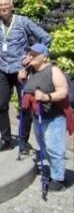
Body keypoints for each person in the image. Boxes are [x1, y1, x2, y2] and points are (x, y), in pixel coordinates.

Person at [0, 0, 50, 152]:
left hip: (22, 71)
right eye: (0, 5)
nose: (4, 7)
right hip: (2, 70)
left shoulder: (23, 21)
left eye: (6, 4)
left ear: (12, 6)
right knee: (1, 106)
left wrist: (32, 57)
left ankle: (23, 141)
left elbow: (45, 38)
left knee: (25, 107)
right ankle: (5, 139)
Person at [22, 44, 70, 190]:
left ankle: (59, 180)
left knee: (54, 147)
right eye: (30, 54)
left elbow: (63, 91)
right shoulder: (31, 70)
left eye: (34, 55)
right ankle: (55, 172)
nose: (30, 57)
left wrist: (46, 97)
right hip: (38, 116)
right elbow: (28, 88)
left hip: (54, 116)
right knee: (44, 146)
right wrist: (22, 78)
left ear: (44, 57)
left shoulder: (53, 70)